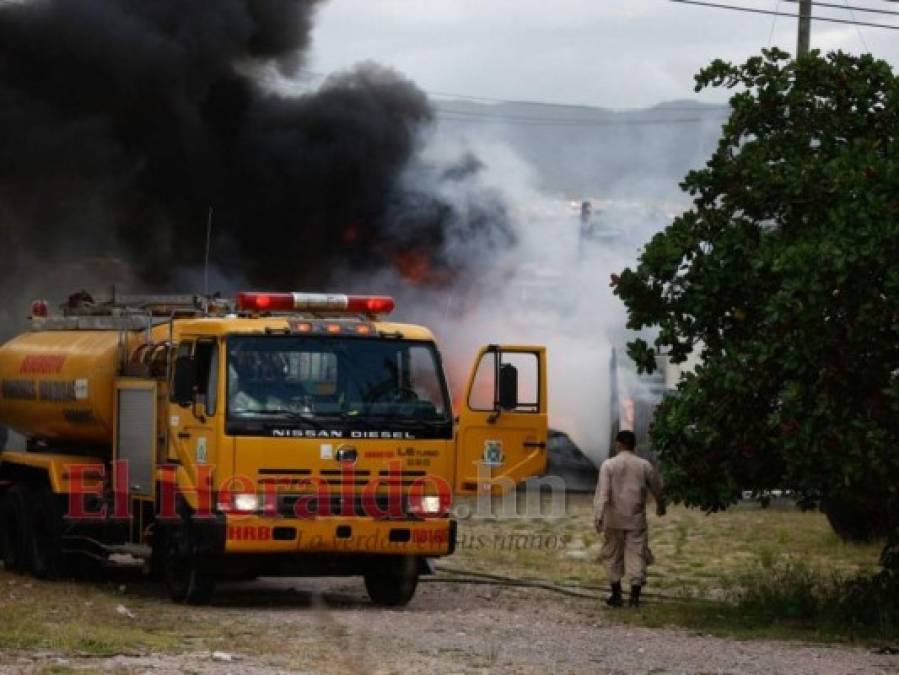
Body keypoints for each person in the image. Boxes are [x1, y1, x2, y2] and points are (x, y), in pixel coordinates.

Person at [594, 430, 665, 608]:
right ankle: (634, 599)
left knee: (612, 555)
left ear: (618, 444)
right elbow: (657, 488)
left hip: (613, 519)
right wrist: (660, 505)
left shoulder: (608, 465)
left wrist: (599, 516)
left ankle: (616, 595)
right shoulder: (644, 465)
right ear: (634, 445)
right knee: (637, 554)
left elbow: (603, 493)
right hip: (635, 519)